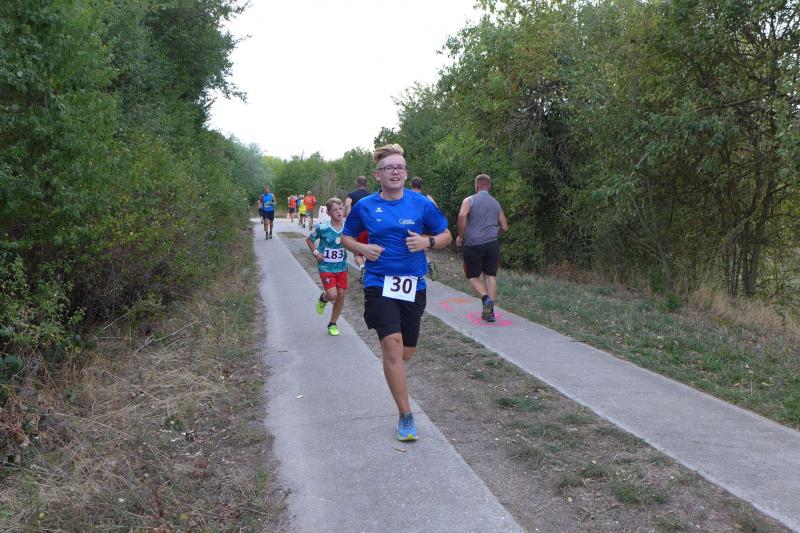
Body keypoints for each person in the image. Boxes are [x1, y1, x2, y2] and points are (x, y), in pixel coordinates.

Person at [342, 144, 451, 442]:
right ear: (378, 175)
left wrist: (427, 243)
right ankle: (405, 415)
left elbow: (446, 235)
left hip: (413, 284)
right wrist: (362, 248)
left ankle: (395, 372)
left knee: (406, 352)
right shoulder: (366, 206)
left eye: (400, 167)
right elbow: (346, 237)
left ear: (405, 173)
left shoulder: (421, 204)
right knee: (391, 346)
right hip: (379, 283)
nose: (395, 172)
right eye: (389, 167)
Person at [456, 174, 508, 322]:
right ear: (489, 186)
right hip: (492, 244)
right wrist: (495, 233)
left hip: (473, 244)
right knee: (490, 276)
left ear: (476, 186)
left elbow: (462, 215)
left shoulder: (469, 200)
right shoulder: (496, 203)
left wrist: (460, 236)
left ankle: (486, 298)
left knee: (472, 276)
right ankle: (489, 313)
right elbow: (505, 227)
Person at [306, 198, 348, 336]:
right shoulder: (322, 227)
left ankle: (332, 324)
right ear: (329, 213)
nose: (338, 212)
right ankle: (323, 298)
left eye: (340, 208)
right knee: (332, 295)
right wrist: (316, 253)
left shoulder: (348, 227)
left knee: (341, 295)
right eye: (334, 210)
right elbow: (309, 240)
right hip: (326, 266)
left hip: (342, 267)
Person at [409, 176, 438, 281]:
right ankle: (429, 264)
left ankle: (414, 274)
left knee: (412, 249)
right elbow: (436, 210)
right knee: (421, 248)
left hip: (412, 226)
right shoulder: (427, 197)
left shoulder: (407, 196)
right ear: (421, 186)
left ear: (411, 185)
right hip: (425, 228)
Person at [345, 176, 371, 284]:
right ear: (366, 184)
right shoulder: (371, 196)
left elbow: (347, 204)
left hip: (358, 230)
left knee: (357, 254)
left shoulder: (351, 195)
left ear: (357, 183)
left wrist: (349, 217)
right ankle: (369, 275)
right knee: (370, 252)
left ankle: (362, 267)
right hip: (370, 229)